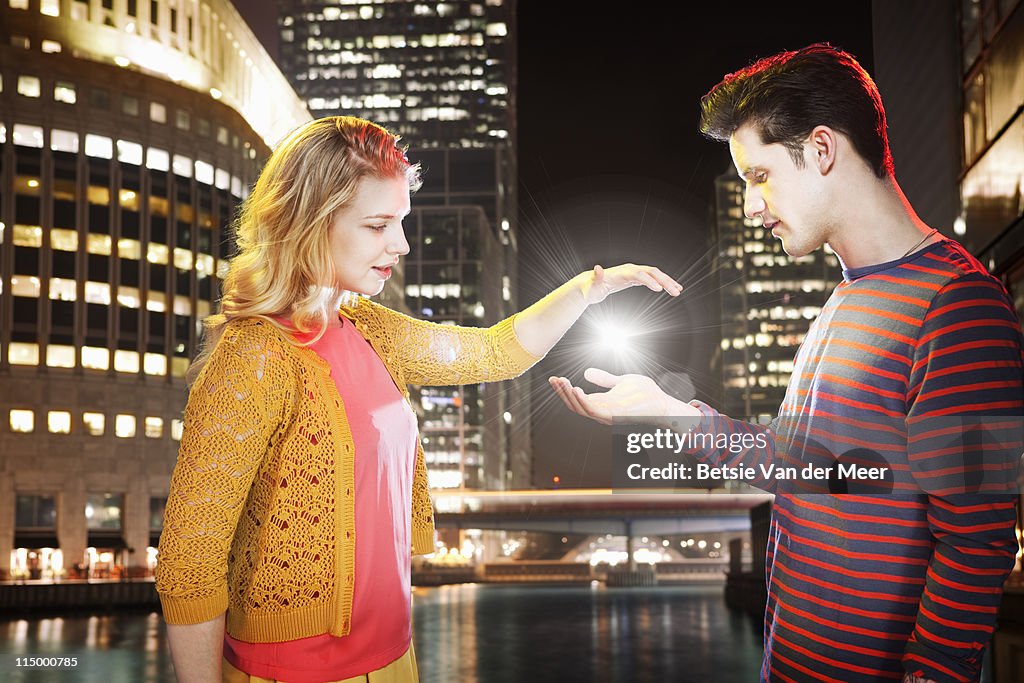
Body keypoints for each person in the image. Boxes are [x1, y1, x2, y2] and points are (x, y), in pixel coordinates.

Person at [550, 44, 1022, 683]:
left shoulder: (958, 306)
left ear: (822, 149)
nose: (751, 206)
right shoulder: (846, 298)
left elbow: (977, 544)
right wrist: (669, 417)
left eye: (759, 175)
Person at [155, 115, 682, 683]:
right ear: (309, 223)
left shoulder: (369, 329)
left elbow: (494, 352)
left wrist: (589, 288)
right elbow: (189, 561)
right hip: (297, 672)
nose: (400, 245)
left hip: (395, 658)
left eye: (401, 222)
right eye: (379, 225)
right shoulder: (253, 356)